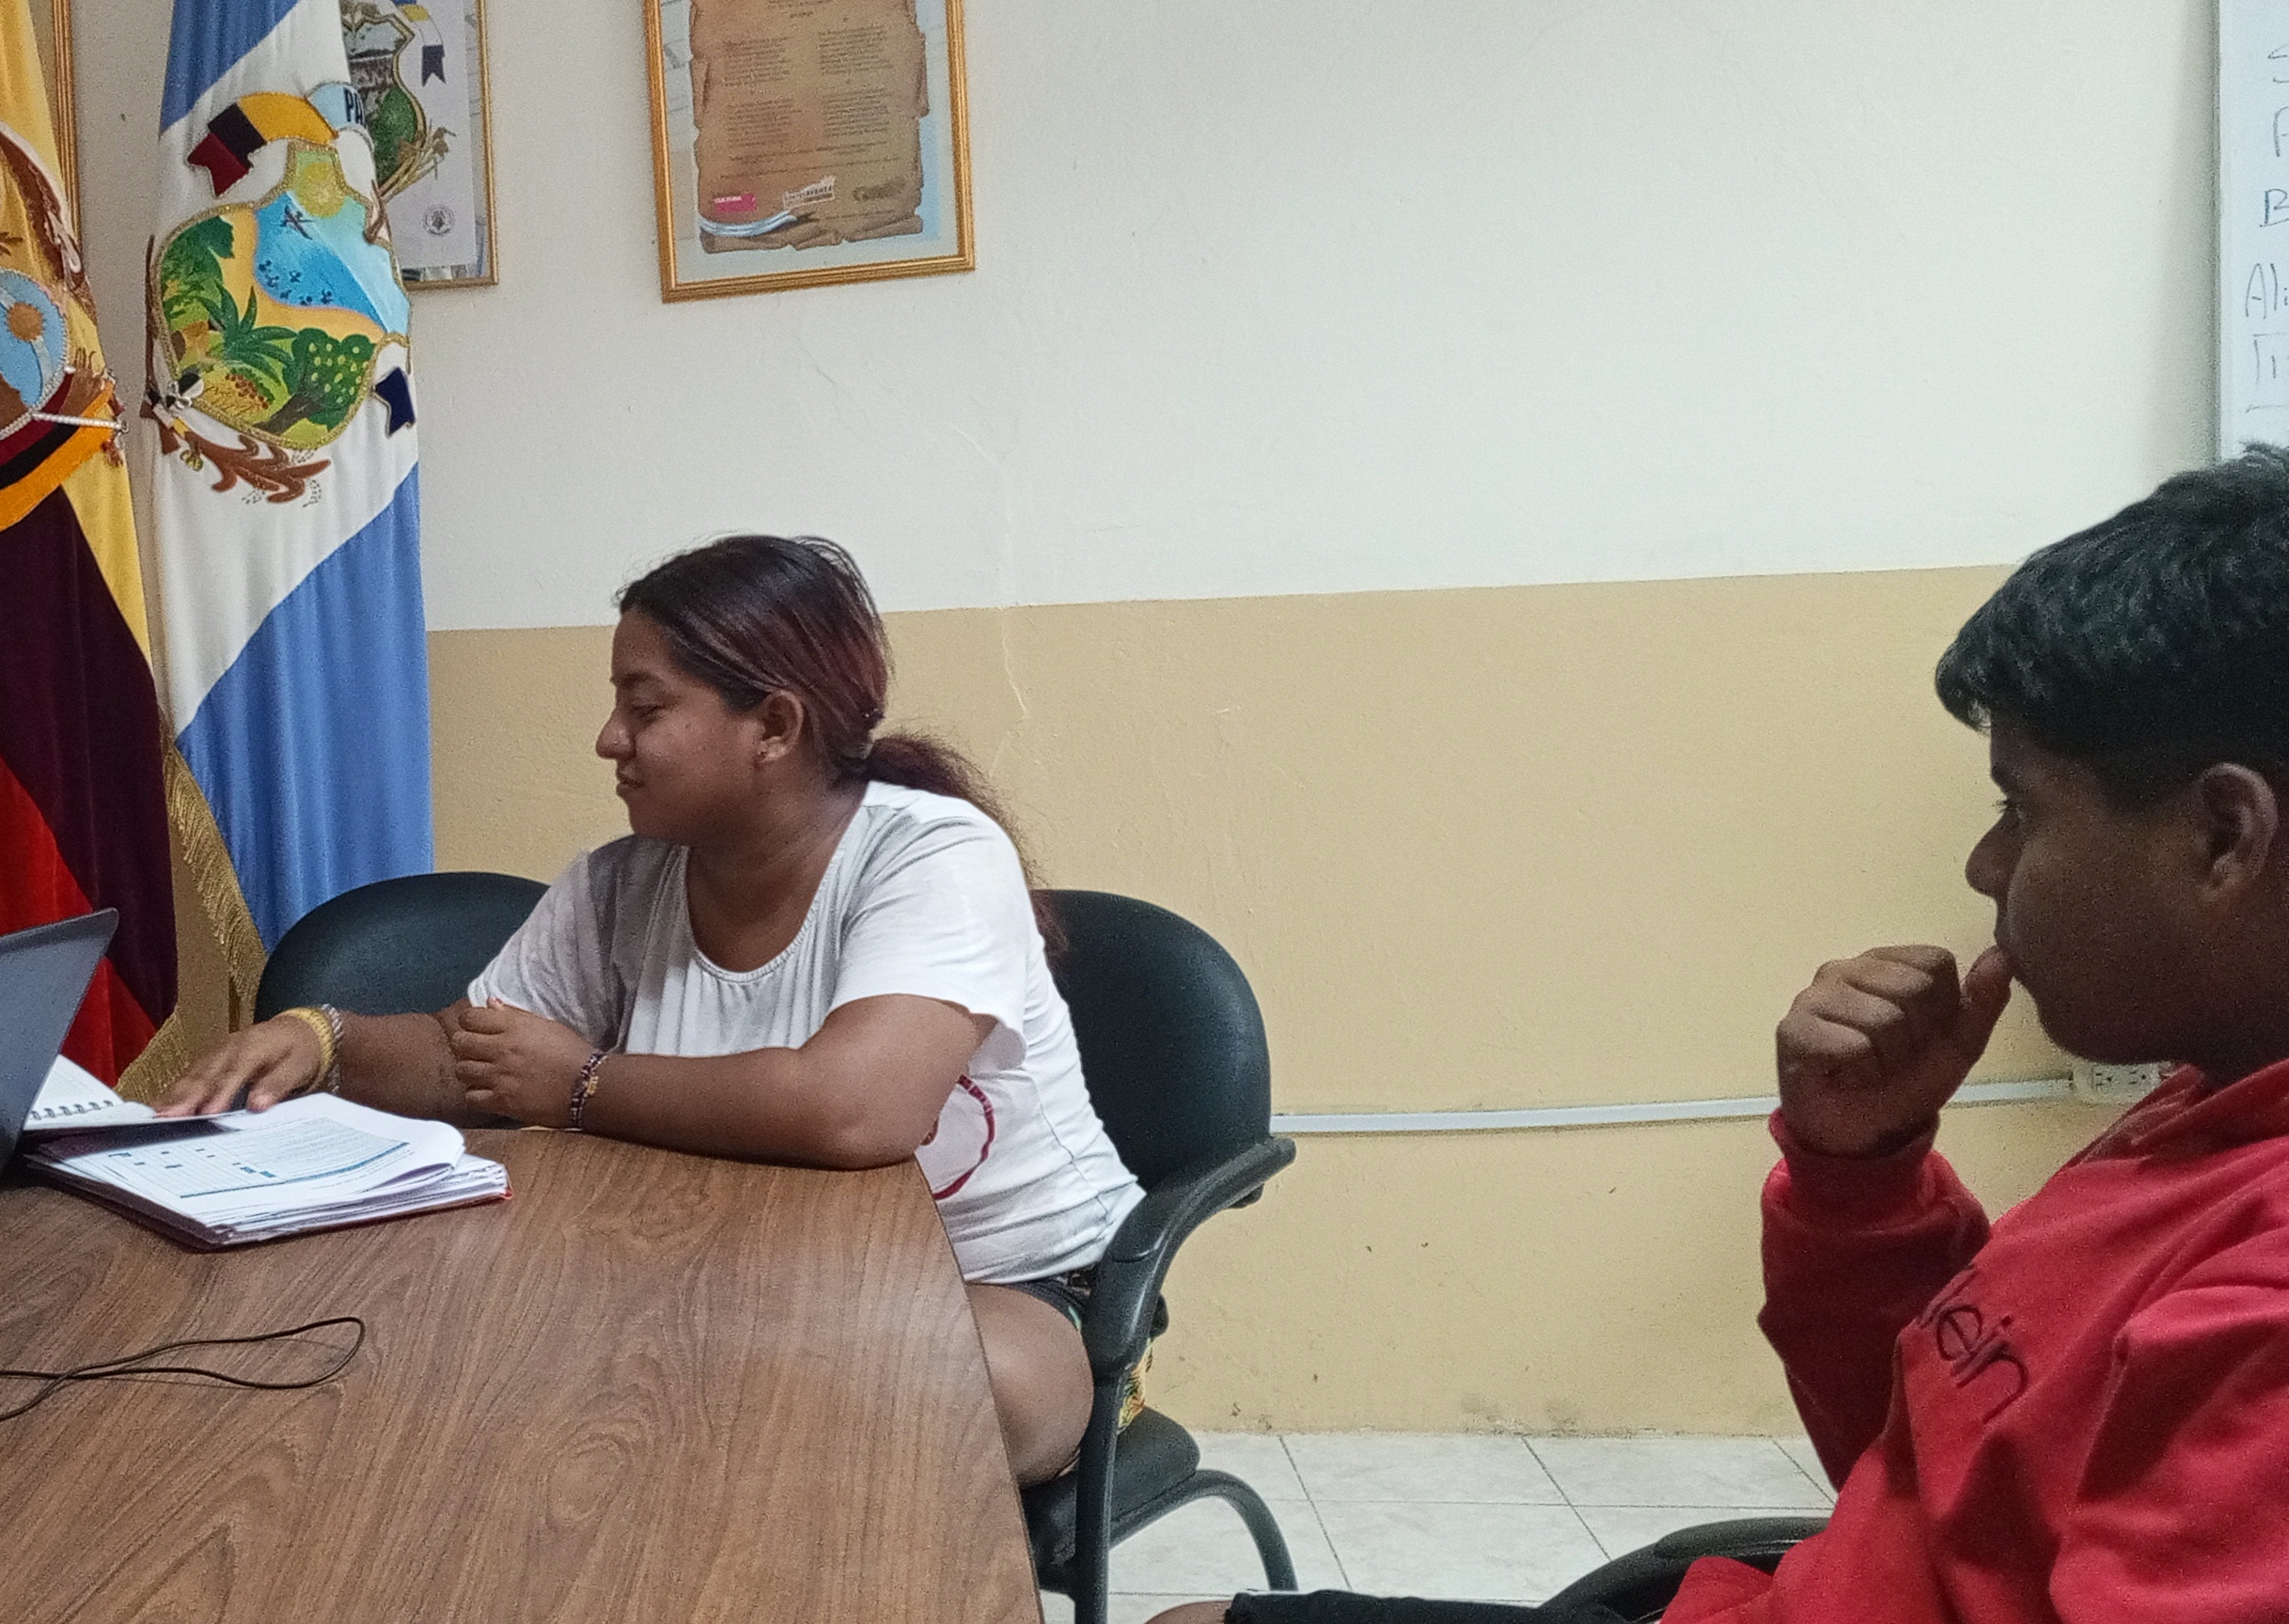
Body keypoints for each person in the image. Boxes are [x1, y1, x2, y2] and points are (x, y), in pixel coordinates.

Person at [1161, 452, 2289, 1624]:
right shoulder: (2208, 1103)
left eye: (2021, 809)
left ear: (2224, 836)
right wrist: (1862, 1174)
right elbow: (1932, 1469)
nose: (1984, 865)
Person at [162, 534, 1146, 1482]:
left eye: (646, 707)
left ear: (775, 726)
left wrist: (581, 1084)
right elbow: (478, 1059)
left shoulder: (931, 854)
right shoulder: (618, 885)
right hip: (747, 1280)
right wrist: (323, 1040)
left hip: (1005, 1284)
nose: (610, 739)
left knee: (907, 1393)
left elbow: (857, 1109)